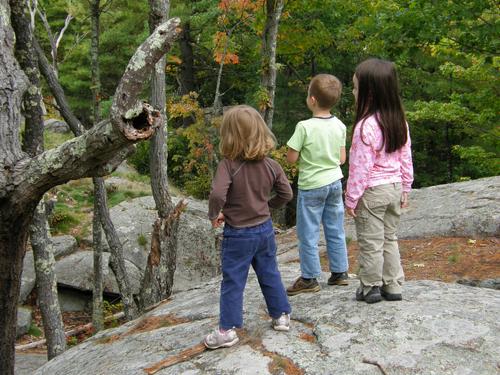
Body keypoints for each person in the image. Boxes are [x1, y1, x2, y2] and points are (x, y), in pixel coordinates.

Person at [204, 105, 293, 349]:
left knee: (233, 280)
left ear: (229, 136)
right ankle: (281, 315)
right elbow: (286, 193)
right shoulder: (271, 165)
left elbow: (217, 193)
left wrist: (215, 214)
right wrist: (267, 205)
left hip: (238, 233)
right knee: (269, 272)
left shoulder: (228, 165)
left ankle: (227, 330)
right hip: (264, 230)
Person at [345, 58, 414, 304]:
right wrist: (406, 185)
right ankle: (393, 286)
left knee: (370, 241)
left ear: (369, 93)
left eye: (355, 88)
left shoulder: (365, 127)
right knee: (389, 238)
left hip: (373, 191)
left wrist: (351, 198)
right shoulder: (399, 121)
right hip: (394, 188)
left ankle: (370, 287)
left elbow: (360, 168)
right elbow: (406, 158)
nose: (353, 92)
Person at [286, 74, 349, 296]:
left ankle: (310, 277)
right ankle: (340, 272)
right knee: (335, 228)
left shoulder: (304, 127)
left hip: (312, 185)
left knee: (308, 233)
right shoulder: (339, 125)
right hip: (334, 182)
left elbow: (291, 158)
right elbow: (342, 159)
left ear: (312, 100)